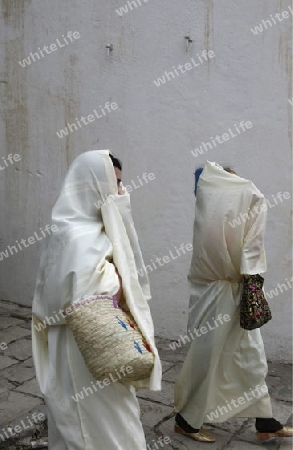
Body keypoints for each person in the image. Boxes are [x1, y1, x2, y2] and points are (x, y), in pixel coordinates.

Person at [32, 150, 162, 450]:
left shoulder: (88, 229)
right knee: (92, 427)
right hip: (80, 348)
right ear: (90, 185)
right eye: (112, 184)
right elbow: (86, 295)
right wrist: (118, 275)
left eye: (120, 183)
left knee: (110, 420)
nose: (120, 192)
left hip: (99, 344)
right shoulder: (77, 234)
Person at [174, 161, 293, 443]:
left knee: (251, 356)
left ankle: (264, 420)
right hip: (214, 294)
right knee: (206, 357)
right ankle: (186, 420)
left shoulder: (223, 216)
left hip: (236, 291)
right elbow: (235, 253)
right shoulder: (212, 220)